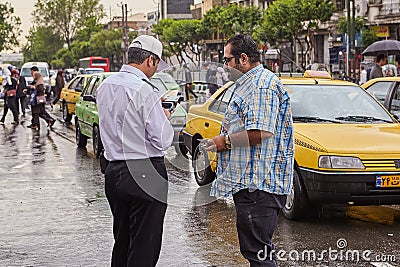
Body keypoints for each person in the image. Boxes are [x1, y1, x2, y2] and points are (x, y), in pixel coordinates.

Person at [205, 34, 294, 266]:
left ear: (242, 58)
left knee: (258, 253)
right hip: (252, 184)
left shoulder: (260, 86)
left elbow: (260, 133)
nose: (225, 66)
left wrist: (224, 141)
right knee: (256, 251)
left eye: (227, 60)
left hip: (259, 186)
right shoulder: (249, 84)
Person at [96, 35, 173, 267]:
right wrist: (164, 117)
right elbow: (162, 140)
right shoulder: (145, 90)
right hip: (145, 171)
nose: (156, 68)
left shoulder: (105, 86)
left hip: (115, 171)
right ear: (150, 60)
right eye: (157, 63)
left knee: (122, 240)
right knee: (144, 246)